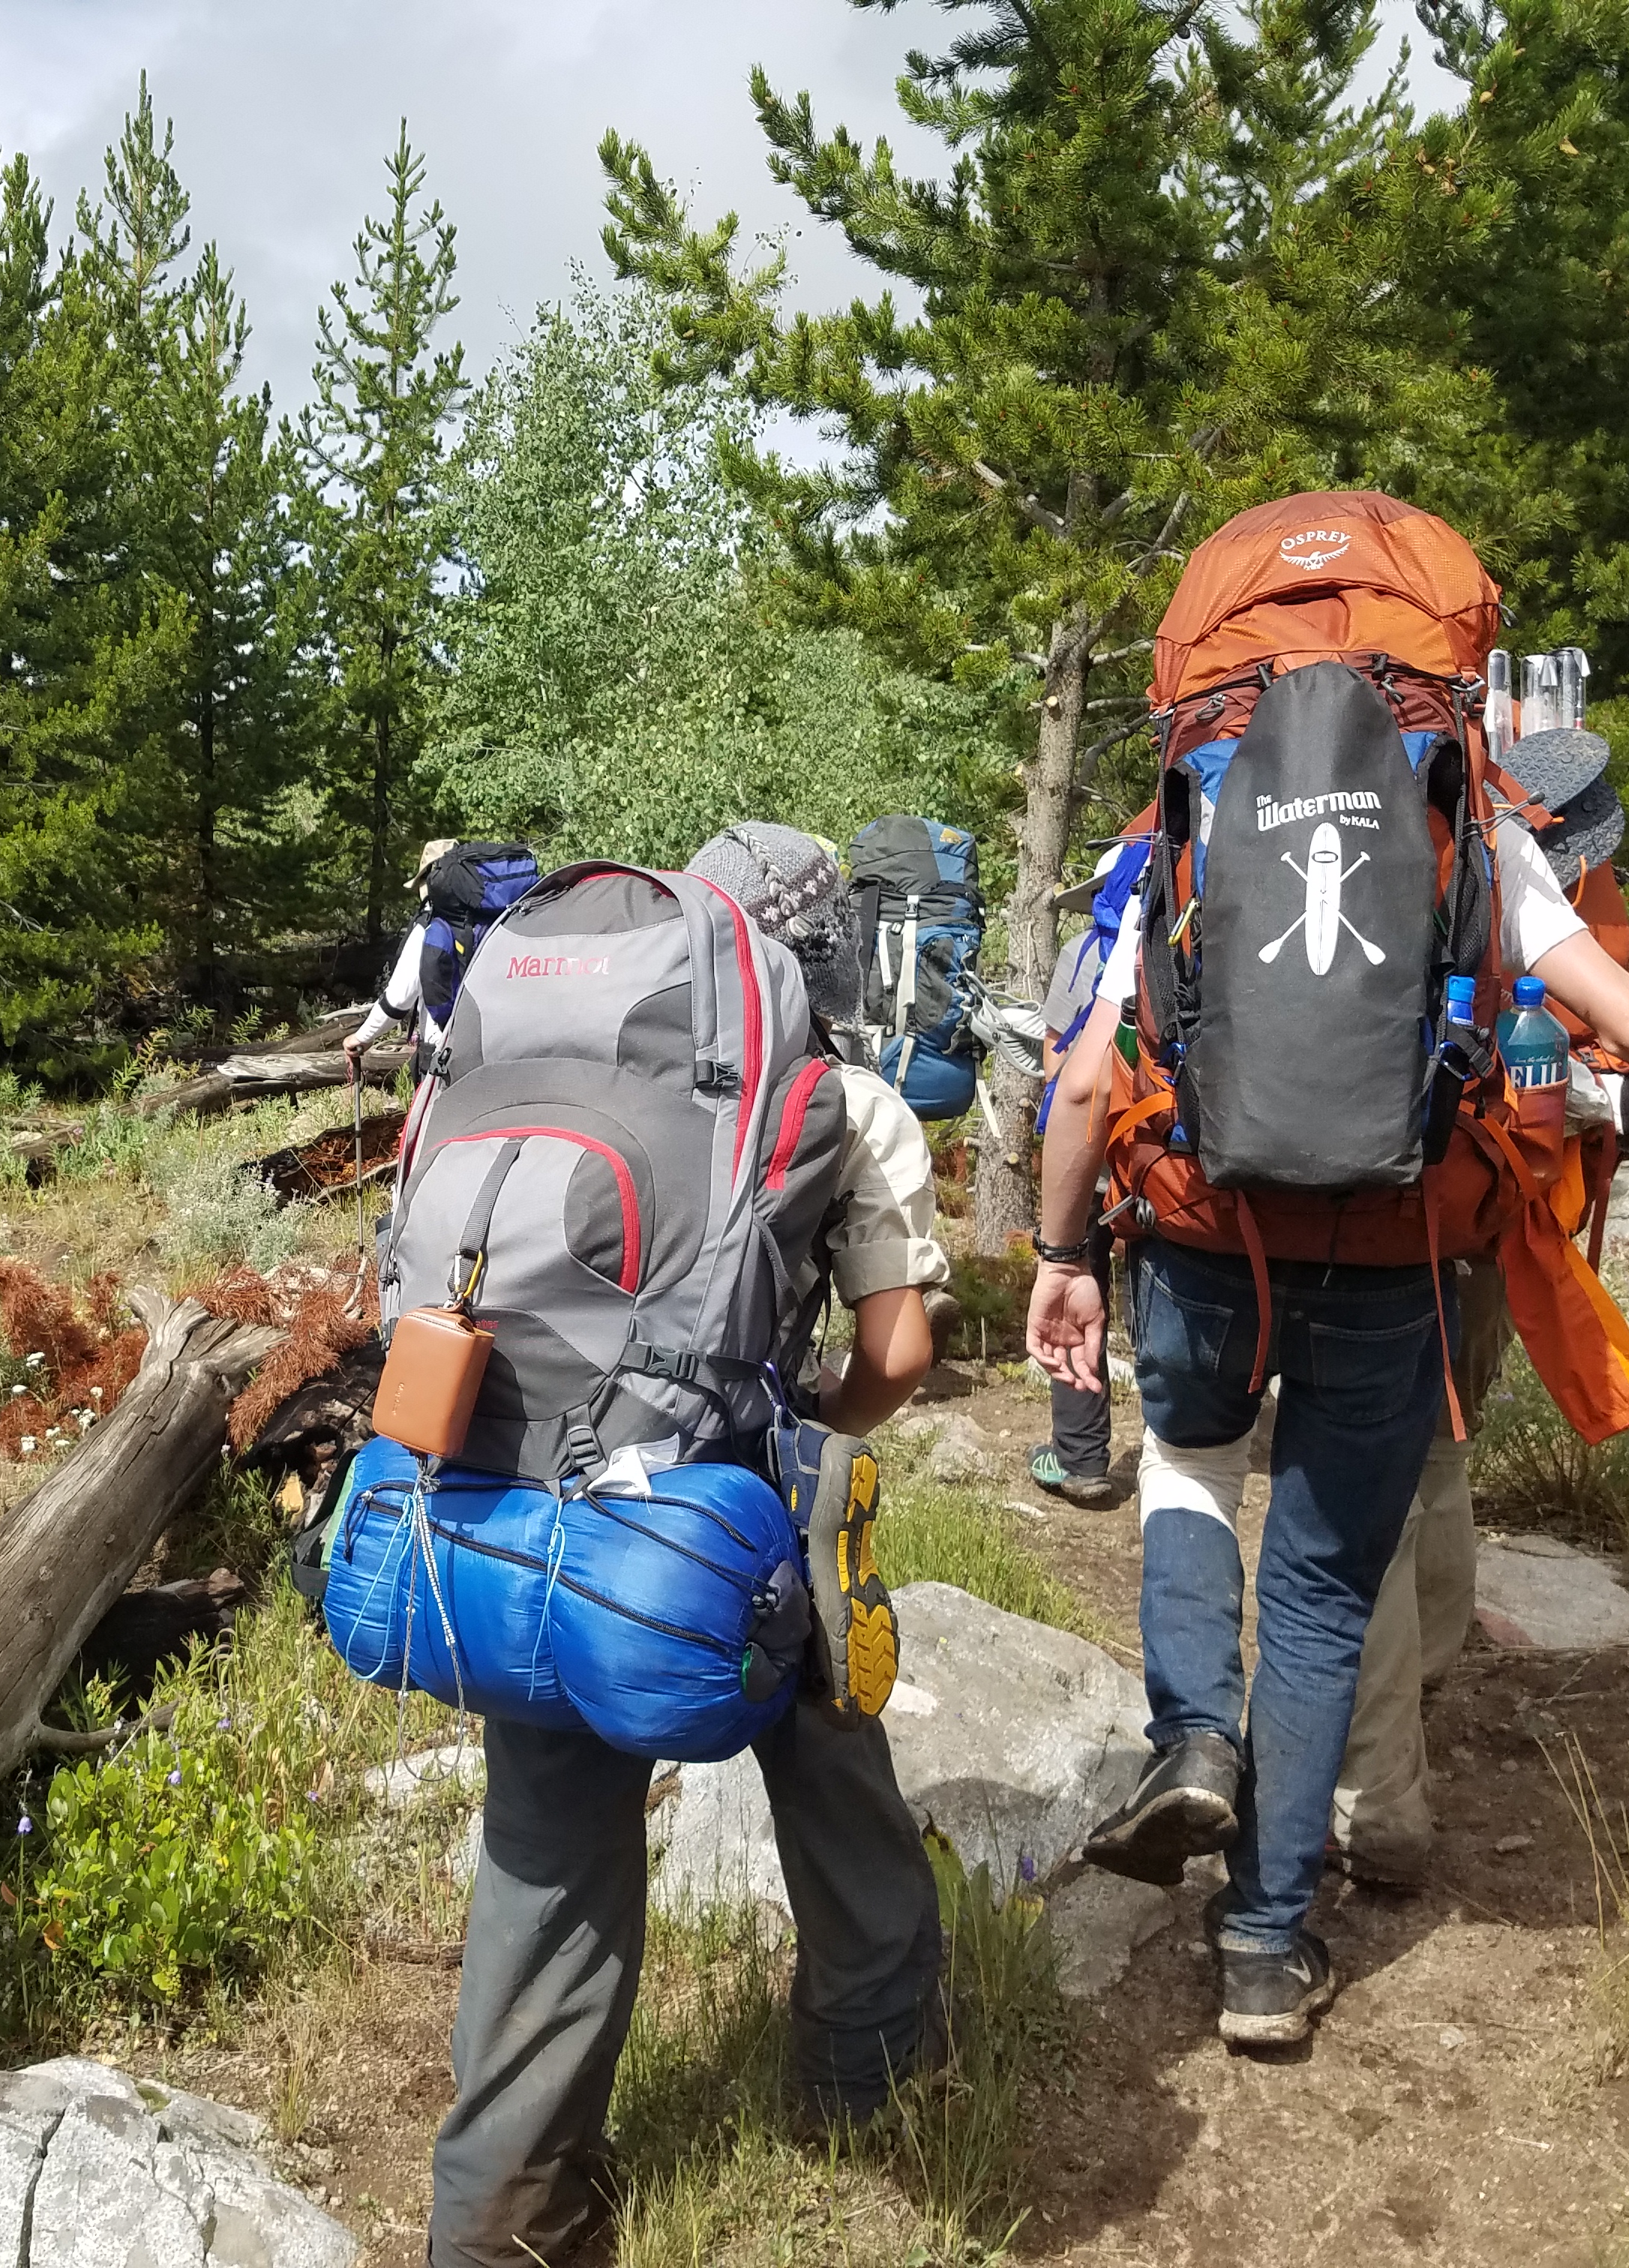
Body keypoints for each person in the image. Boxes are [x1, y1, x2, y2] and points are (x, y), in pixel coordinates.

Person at [1030, 808, 1629, 2048]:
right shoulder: (1463, 815)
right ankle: (1260, 1945)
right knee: (1319, 1587)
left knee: (1187, 1465)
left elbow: (1086, 1074)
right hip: (1389, 1253)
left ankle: (1189, 1737)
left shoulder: (1198, 803)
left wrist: (1060, 1252)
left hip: (1201, 1240)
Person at [431, 822, 950, 2268]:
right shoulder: (841, 1096)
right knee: (834, 1759)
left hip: (526, 1493)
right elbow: (898, 1352)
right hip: (721, 1522)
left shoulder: (555, 1063)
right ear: (824, 942)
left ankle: (501, 2217)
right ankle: (871, 2067)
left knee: (543, 1851)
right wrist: (806, 1425)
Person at [1025, 842, 1140, 1508]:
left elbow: (1057, 1068)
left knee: (1075, 1287)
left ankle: (1081, 1458)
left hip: (1092, 1163)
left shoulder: (1082, 953)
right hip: (1160, 1163)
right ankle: (1175, 1448)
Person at [346, 838, 464, 1075]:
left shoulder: (430, 928)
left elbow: (399, 998)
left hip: (443, 1052)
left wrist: (361, 1037)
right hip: (487, 1046)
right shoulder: (491, 919)